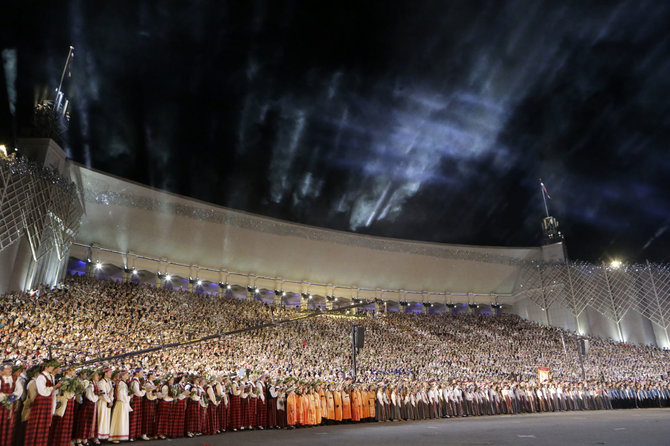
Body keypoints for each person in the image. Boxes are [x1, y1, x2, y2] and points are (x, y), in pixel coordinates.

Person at [24, 360, 62, 446]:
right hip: (42, 402)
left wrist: (55, 388)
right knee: (39, 425)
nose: (53, 368)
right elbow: (43, 392)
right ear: (46, 367)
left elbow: (51, 390)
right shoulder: (41, 377)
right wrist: (55, 387)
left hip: (48, 402)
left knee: (45, 425)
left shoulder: (50, 376)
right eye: (51, 366)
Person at [109, 370, 131, 443]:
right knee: (119, 419)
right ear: (123, 376)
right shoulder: (122, 384)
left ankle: (120, 435)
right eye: (126, 375)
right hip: (121, 403)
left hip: (122, 403)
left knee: (121, 419)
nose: (127, 376)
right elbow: (121, 395)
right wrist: (129, 397)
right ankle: (115, 436)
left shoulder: (122, 383)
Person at [97, 368, 114, 442]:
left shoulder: (109, 382)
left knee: (106, 418)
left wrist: (111, 400)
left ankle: (104, 435)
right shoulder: (101, 382)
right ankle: (97, 436)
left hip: (108, 402)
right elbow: (102, 393)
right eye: (109, 372)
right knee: (101, 418)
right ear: (105, 373)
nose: (111, 374)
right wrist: (108, 400)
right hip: (102, 402)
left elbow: (111, 392)